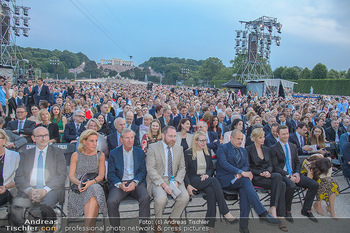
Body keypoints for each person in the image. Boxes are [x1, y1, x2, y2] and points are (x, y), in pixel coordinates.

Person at [216, 129, 281, 233]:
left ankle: (244, 227)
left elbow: (246, 165)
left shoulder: (243, 150)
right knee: (246, 181)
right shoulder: (222, 148)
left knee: (245, 191)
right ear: (231, 138)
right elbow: (223, 163)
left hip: (240, 180)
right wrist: (240, 171)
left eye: (241, 139)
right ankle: (262, 213)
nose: (240, 141)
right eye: (238, 139)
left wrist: (242, 172)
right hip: (226, 179)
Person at [184, 131, 238, 232]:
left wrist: (207, 175)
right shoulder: (188, 153)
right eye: (202, 141)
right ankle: (225, 211)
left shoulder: (207, 151)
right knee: (214, 181)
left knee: (212, 192)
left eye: (205, 140)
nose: (204, 143)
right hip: (194, 179)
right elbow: (185, 171)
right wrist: (188, 185)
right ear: (195, 141)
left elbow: (211, 169)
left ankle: (210, 224)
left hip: (205, 179)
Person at [270, 125, 319, 223]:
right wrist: (289, 176)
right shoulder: (273, 148)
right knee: (291, 185)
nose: (286, 136)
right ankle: (287, 210)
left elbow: (297, 162)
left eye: (287, 133)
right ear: (278, 134)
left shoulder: (293, 146)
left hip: (294, 174)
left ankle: (306, 209)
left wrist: (297, 173)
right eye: (283, 134)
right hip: (283, 175)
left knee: (314, 184)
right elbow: (275, 167)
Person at [146, 126, 189, 233]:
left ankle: (173, 218)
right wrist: (164, 185)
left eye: (174, 136)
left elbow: (182, 168)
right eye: (170, 136)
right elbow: (151, 169)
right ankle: (158, 222)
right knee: (161, 199)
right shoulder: (153, 147)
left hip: (174, 179)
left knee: (184, 197)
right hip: (158, 180)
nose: (173, 139)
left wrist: (177, 181)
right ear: (163, 136)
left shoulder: (179, 148)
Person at [107, 128, 150, 233]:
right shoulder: (114, 153)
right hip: (120, 183)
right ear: (121, 139)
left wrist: (135, 182)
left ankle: (143, 230)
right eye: (127, 138)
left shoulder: (139, 152)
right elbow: (111, 173)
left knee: (145, 198)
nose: (130, 140)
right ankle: (116, 230)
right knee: (111, 201)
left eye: (132, 137)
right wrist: (119, 184)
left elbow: (142, 172)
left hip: (136, 182)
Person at [246, 128, 287, 231]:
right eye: (260, 137)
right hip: (256, 177)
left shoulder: (266, 149)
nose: (263, 139)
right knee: (281, 184)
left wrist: (268, 172)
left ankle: (273, 208)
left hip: (267, 175)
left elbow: (270, 165)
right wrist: (261, 173)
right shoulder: (248, 149)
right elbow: (248, 167)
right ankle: (278, 214)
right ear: (254, 138)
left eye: (264, 137)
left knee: (278, 177)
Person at [14, 127, 67, 206]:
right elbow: (18, 176)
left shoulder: (57, 153)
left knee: (44, 208)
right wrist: (29, 190)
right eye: (40, 136)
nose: (44, 138)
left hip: (51, 189)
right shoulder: (25, 154)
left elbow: (61, 175)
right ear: (33, 138)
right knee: (17, 207)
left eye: (46, 135)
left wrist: (44, 190)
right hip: (30, 188)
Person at [68, 129, 107, 232]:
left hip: (94, 184)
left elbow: (101, 176)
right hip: (79, 189)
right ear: (84, 141)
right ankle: (91, 228)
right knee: (94, 196)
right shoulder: (75, 155)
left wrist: (91, 182)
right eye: (91, 141)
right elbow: (71, 176)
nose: (95, 144)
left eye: (96, 141)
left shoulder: (100, 155)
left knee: (94, 189)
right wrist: (79, 183)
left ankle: (86, 229)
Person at [301, 155, 339, 219]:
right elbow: (308, 184)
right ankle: (318, 204)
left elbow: (329, 177)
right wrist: (308, 202)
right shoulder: (310, 165)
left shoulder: (327, 162)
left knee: (332, 183)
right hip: (306, 175)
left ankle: (331, 208)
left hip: (320, 174)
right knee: (320, 183)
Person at [0, 129, 20, 206]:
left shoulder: (15, 156)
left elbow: (17, 178)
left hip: (7, 188)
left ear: (4, 140)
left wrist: (5, 187)